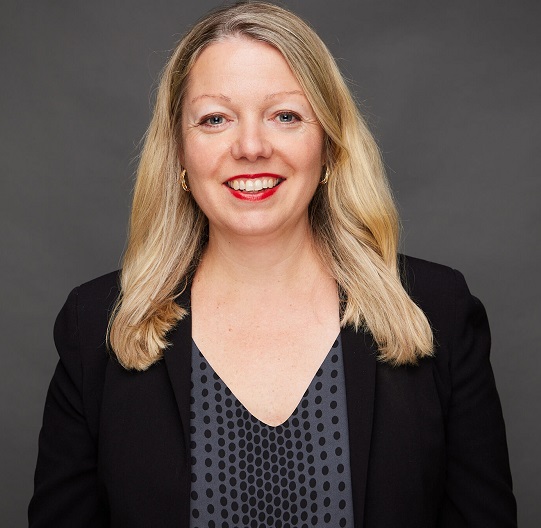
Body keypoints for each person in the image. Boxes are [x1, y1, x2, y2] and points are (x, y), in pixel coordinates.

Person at [29, 2, 517, 527]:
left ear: (329, 147)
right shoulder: (96, 326)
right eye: (215, 119)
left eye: (285, 115)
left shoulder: (439, 311)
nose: (251, 146)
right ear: (179, 154)